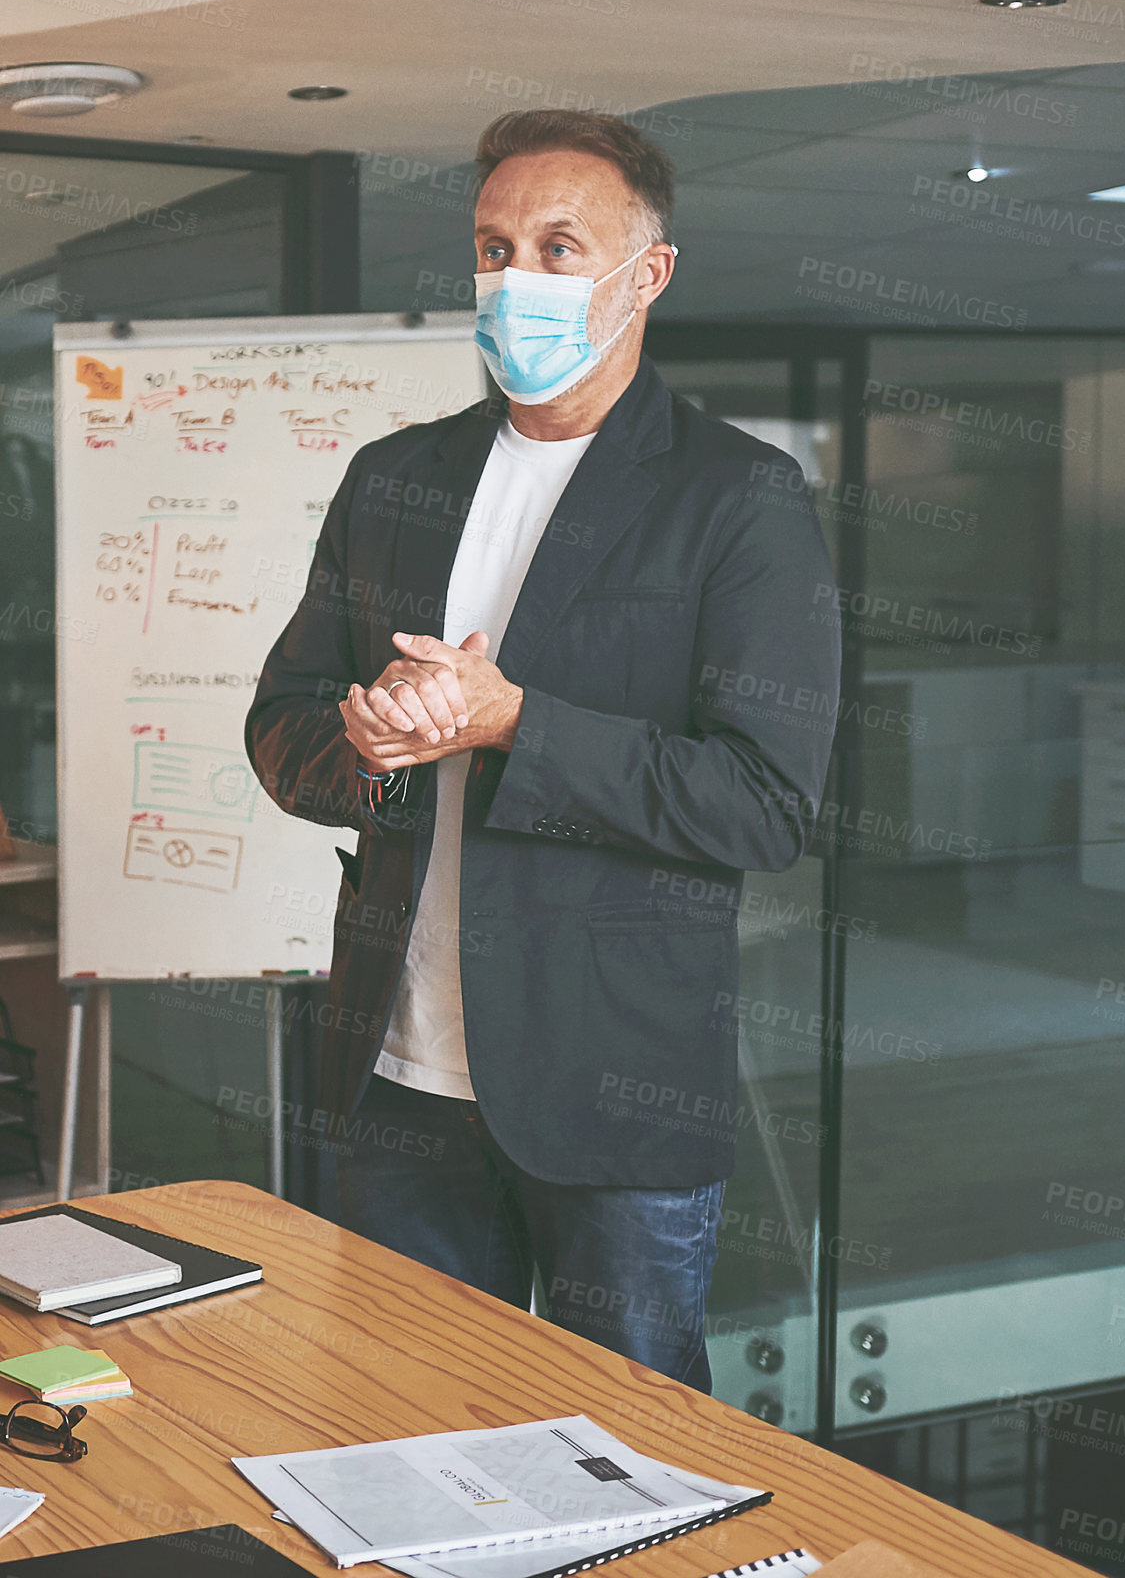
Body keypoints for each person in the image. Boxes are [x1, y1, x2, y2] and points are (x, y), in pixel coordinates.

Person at [244, 107, 841, 1394]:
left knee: (628, 1456)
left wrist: (516, 721)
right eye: (494, 246)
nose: (519, 279)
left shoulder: (735, 497)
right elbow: (282, 725)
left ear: (649, 275)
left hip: (616, 1086)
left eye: (561, 247)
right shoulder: (392, 476)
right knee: (398, 1432)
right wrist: (364, 741)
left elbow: (765, 804)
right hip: (398, 1072)